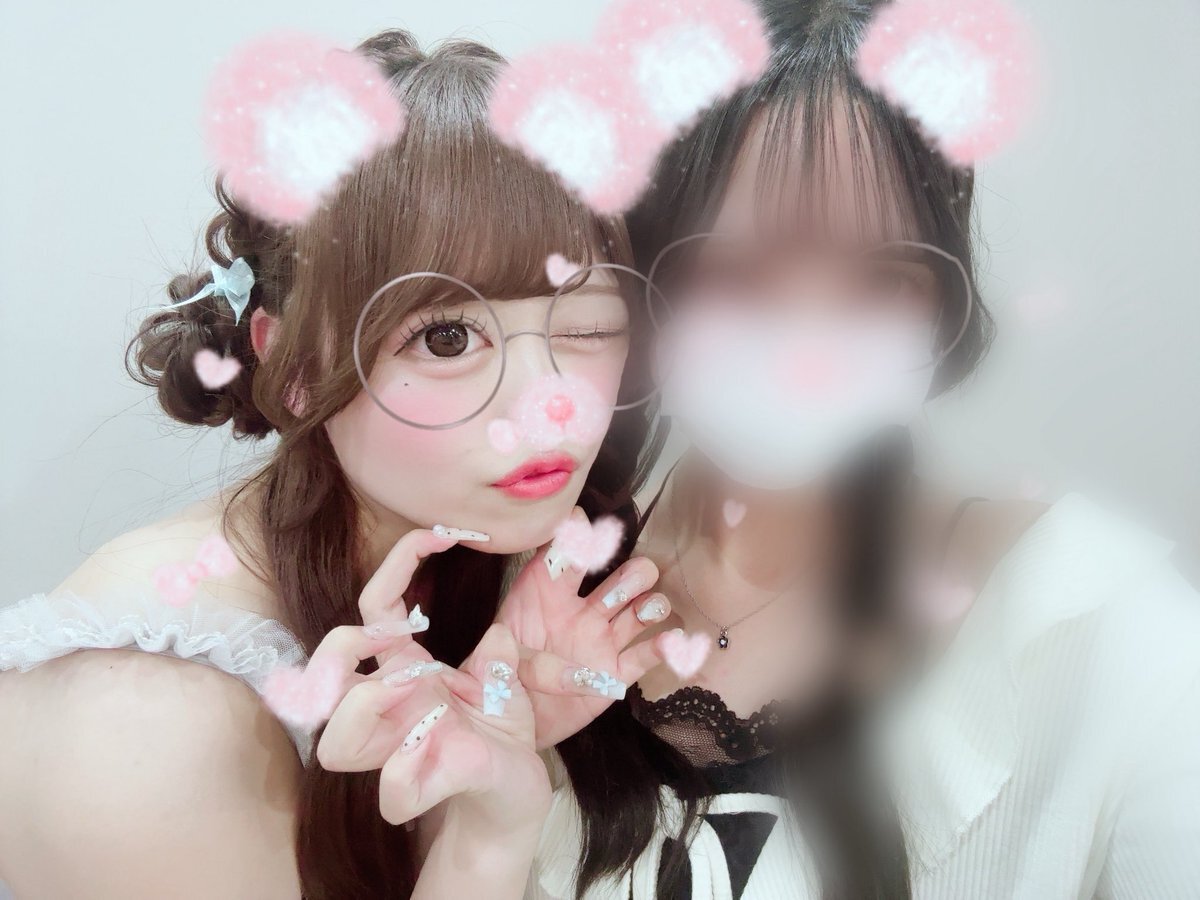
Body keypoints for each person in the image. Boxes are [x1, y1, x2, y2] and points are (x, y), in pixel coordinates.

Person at [321, 3, 1200, 898]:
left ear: (943, 302)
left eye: (878, 281)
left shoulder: (1105, 626)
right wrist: (485, 834)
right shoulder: (523, 603)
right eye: (735, 274)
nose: (805, 346)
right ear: (641, 286)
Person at [0, 31, 674, 899]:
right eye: (447, 338)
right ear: (292, 367)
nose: (552, 404)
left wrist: (488, 793)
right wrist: (483, 842)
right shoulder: (144, 728)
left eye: (587, 326)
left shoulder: (483, 578)